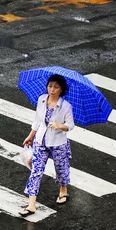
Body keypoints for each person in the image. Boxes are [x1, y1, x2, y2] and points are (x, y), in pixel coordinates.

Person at [20, 74, 74, 217]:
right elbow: (37, 121)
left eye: (56, 87)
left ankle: (63, 189)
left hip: (58, 143)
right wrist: (30, 136)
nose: (52, 89)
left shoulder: (66, 106)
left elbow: (70, 126)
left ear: (61, 89)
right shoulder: (42, 99)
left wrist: (59, 126)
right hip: (41, 141)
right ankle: (31, 205)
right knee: (36, 172)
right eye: (50, 86)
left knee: (61, 169)